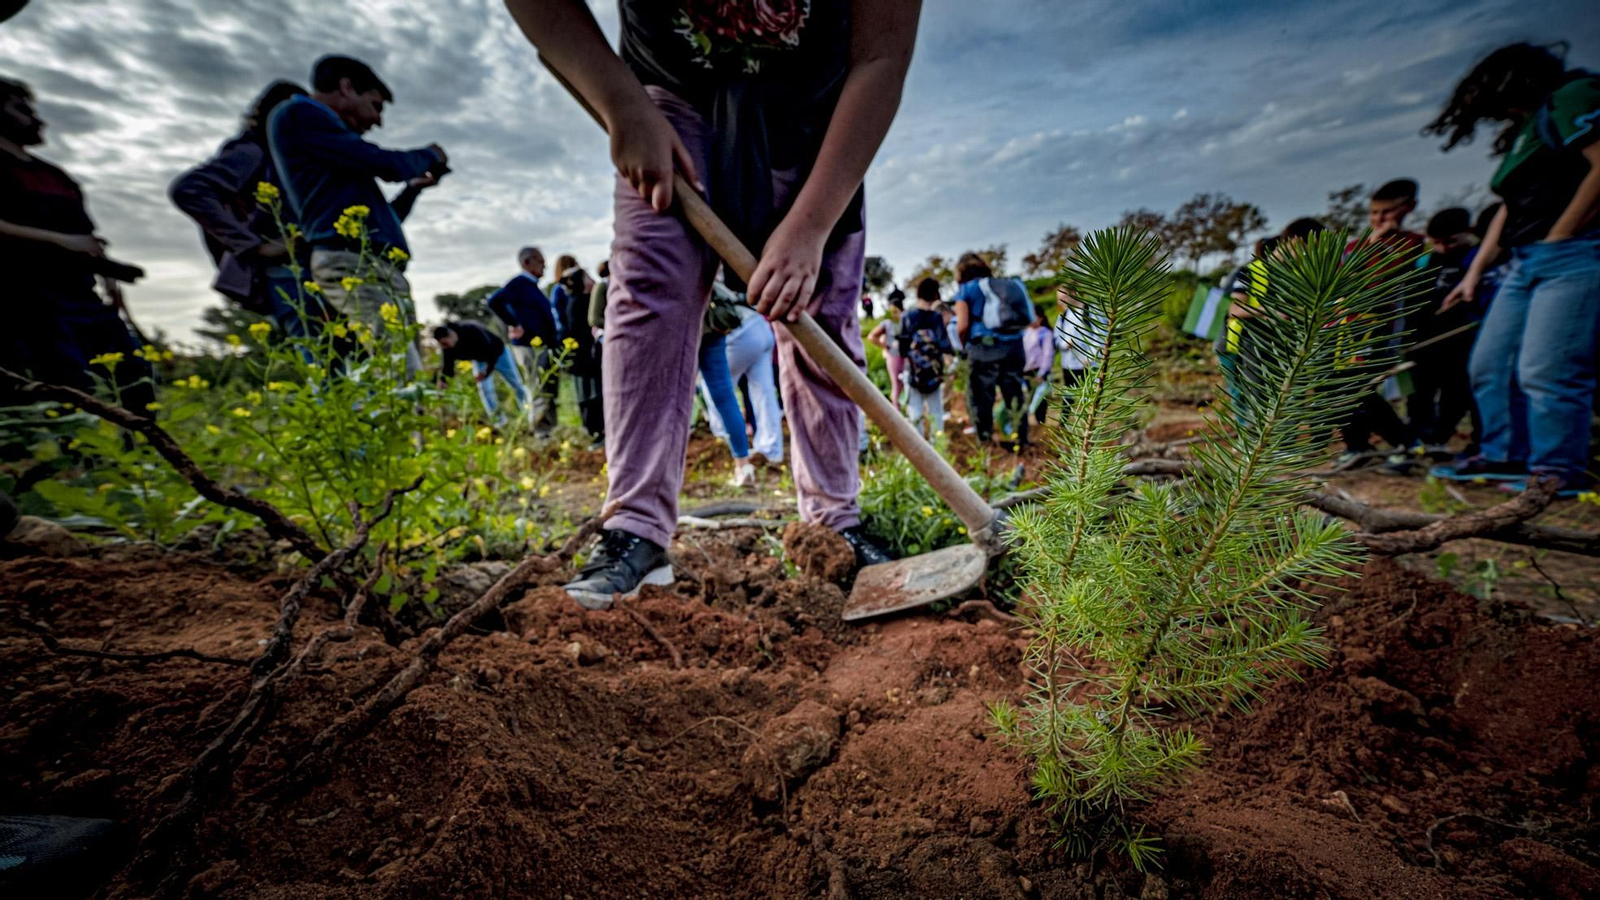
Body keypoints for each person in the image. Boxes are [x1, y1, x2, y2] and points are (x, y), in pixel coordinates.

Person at [505, 0, 919, 608]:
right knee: (651, 295)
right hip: (668, 104)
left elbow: (881, 55)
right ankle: (635, 530)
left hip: (816, 122)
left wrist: (811, 226)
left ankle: (835, 523)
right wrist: (623, 106)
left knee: (819, 315)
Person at [1425, 43, 1600, 497]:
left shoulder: (1574, 96)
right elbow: (1509, 207)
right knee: (1490, 362)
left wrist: (1562, 233)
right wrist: (1472, 273)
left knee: (1548, 368)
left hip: (1574, 253)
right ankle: (1504, 454)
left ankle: (1555, 470)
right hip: (1523, 260)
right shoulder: (1528, 127)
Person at [266, 55, 448, 379]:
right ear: (347, 87)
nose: (377, 120)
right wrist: (430, 155)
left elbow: (379, 220)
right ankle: (399, 431)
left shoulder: (335, 158)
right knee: (398, 369)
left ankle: (411, 431)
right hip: (350, 263)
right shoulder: (299, 114)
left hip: (372, 264)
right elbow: (386, 164)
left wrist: (413, 189)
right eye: (375, 105)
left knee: (411, 373)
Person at [0, 77, 152, 414]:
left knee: (135, 374)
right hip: (27, 299)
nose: (34, 117)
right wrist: (61, 241)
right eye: (19, 108)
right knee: (68, 388)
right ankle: (83, 462)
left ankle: (145, 452)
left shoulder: (56, 175)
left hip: (82, 294)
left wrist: (113, 285)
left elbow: (88, 236)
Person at [170, 81, 324, 347]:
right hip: (286, 275)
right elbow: (189, 190)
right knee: (323, 365)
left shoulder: (282, 158)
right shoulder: (251, 151)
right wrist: (255, 247)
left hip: (304, 273)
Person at [1401, 208, 1485, 456]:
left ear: (1466, 233)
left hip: (1461, 342)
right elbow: (1411, 304)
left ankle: (1440, 440)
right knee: (1419, 398)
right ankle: (1415, 443)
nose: (1443, 248)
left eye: (1450, 241)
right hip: (1423, 342)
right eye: (1436, 242)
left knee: (1456, 394)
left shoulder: (1473, 260)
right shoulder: (1425, 263)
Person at [953, 252, 1034, 448]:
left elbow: (962, 326)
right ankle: (1021, 439)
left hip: (984, 348)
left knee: (982, 397)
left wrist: (964, 348)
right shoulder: (1003, 285)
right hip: (1014, 346)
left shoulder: (966, 290)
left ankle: (986, 441)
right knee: (1014, 393)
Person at [487, 247, 561, 436]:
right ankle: (540, 432)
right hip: (529, 346)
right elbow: (494, 301)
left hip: (543, 345)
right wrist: (514, 324)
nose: (544, 266)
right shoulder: (519, 284)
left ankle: (550, 429)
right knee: (538, 387)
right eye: (540, 261)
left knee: (548, 387)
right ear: (527, 262)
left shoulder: (533, 286)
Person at [703, 295, 785, 464]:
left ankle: (729, 444)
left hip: (738, 332)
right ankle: (771, 451)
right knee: (764, 392)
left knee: (717, 390)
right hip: (760, 326)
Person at [697, 281, 757, 486]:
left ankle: (667, 473)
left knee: (677, 398)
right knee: (725, 396)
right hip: (713, 327)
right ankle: (743, 465)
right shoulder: (704, 260)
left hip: (685, 328)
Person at [552, 255, 604, 446]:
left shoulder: (583, 300)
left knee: (596, 394)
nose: (592, 280)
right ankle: (595, 434)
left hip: (589, 358)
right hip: (583, 360)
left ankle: (599, 432)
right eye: (588, 277)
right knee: (589, 396)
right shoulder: (578, 304)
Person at [434, 321, 528, 424]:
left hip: (499, 354)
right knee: (484, 389)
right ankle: (498, 421)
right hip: (480, 360)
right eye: (442, 345)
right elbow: (448, 366)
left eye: (445, 343)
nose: (445, 347)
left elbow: (491, 350)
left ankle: (527, 411)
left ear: (451, 335)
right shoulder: (447, 348)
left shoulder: (471, 330)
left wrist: (486, 372)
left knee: (516, 383)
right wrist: (443, 382)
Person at [899, 276, 953, 437]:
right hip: (933, 373)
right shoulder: (936, 318)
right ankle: (938, 450)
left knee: (915, 412)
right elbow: (944, 344)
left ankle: (918, 451)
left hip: (913, 371)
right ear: (936, 295)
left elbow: (903, 349)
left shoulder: (908, 317)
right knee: (936, 411)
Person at [867, 291, 906, 408]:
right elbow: (871, 336)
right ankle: (897, 411)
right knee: (897, 385)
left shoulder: (906, 321)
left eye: (895, 311)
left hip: (906, 356)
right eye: (891, 312)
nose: (893, 314)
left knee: (908, 384)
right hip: (894, 356)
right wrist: (885, 346)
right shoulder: (887, 323)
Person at [1022, 308, 1055, 425]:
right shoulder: (1026, 332)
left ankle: (1040, 423)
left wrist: (1042, 373)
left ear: (1040, 318)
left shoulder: (1045, 333)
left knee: (1040, 400)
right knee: (1028, 398)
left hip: (1039, 372)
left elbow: (1048, 354)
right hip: (1026, 371)